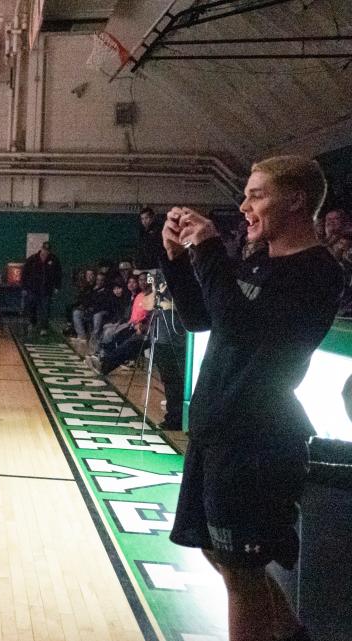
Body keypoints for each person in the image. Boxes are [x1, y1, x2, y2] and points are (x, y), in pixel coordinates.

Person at [161, 155, 342, 641]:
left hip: (256, 442)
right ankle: (293, 636)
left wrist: (210, 249)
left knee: (240, 574)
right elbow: (205, 318)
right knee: (223, 557)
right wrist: (178, 259)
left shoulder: (317, 272)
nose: (244, 206)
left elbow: (243, 329)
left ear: (296, 200)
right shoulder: (260, 259)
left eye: (256, 194)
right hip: (219, 433)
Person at [21, 241, 61, 336]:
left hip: (47, 289)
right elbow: (24, 273)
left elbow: (58, 274)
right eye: (44, 249)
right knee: (32, 306)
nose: (46, 252)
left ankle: (44, 327)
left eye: (48, 250)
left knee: (45, 308)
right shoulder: (32, 259)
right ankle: (32, 322)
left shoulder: (54, 260)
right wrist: (24, 287)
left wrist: (57, 286)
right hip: (33, 288)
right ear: (41, 248)